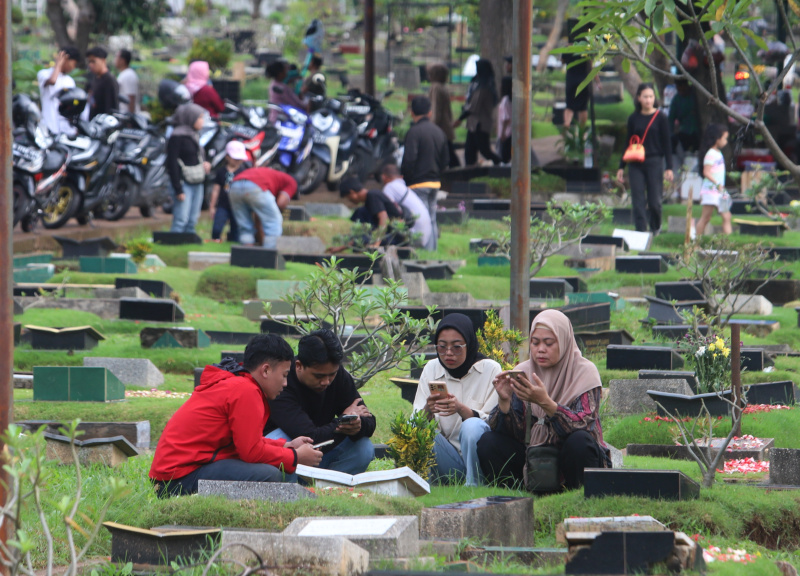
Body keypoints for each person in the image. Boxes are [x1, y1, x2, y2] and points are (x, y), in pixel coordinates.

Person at [149, 334, 324, 497]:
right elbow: (251, 452)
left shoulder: (239, 384)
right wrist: (296, 457)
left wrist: (287, 446)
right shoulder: (245, 391)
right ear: (266, 370)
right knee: (270, 475)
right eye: (284, 375)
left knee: (275, 469)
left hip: (179, 473)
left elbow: (247, 441)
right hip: (174, 481)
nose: (285, 383)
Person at [477, 310, 611, 490]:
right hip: (532, 455)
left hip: (568, 457)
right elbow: (512, 433)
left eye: (549, 343)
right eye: (535, 342)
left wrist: (545, 403)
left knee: (580, 442)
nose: (541, 349)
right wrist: (504, 401)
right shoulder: (523, 371)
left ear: (564, 341)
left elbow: (585, 424)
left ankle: (577, 494)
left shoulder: (584, 372)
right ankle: (516, 494)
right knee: (489, 442)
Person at [265, 330, 376, 475]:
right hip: (289, 450)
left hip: (324, 448)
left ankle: (328, 486)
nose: (326, 382)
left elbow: (369, 421)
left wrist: (357, 425)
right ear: (298, 365)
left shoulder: (339, 376)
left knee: (363, 447)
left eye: (332, 375)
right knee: (283, 439)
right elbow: (309, 437)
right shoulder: (283, 381)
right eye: (318, 376)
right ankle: (290, 488)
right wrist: (341, 423)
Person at [412, 314, 501, 486]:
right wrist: (427, 411)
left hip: (480, 462)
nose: (448, 354)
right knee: (423, 431)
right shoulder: (431, 368)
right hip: (448, 459)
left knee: (472, 426)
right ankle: (426, 488)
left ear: (469, 343)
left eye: (457, 347)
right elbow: (414, 423)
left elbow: (494, 423)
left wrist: (461, 409)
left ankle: (475, 486)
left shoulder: (490, 369)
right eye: (442, 347)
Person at [616, 83, 674, 235]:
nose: (648, 100)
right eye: (645, 97)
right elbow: (627, 142)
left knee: (655, 201)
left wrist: (669, 167)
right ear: (639, 98)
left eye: (651, 96)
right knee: (638, 200)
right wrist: (621, 166)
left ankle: (655, 228)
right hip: (635, 163)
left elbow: (667, 143)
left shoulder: (661, 117)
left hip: (655, 161)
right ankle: (641, 232)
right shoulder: (633, 118)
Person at [402, 96, 449, 251]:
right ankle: (432, 252)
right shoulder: (439, 132)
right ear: (430, 112)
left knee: (420, 220)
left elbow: (409, 160)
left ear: (412, 112)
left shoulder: (414, 132)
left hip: (417, 183)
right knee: (432, 219)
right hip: (435, 183)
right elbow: (445, 161)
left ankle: (424, 252)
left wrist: (406, 180)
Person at [166, 103, 210, 234]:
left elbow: (195, 157)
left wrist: (206, 164)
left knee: (192, 220)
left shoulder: (194, 135)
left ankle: (188, 244)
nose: (202, 121)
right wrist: (178, 189)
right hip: (183, 183)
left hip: (197, 181)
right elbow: (172, 162)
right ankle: (173, 245)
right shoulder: (177, 137)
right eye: (199, 118)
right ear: (189, 118)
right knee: (181, 220)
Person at [229, 166, 297, 248]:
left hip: (234, 186)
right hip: (255, 186)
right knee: (273, 222)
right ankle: (270, 253)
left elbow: (259, 216)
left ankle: (246, 250)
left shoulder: (273, 175)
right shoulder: (292, 182)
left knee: (245, 226)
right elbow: (280, 203)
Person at [455, 58, 502, 166]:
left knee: (484, 150)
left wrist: (460, 119)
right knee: (469, 150)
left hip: (480, 124)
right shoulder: (482, 84)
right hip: (474, 123)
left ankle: (502, 165)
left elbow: (473, 107)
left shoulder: (484, 87)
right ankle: (470, 170)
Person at [339, 176, 405, 247]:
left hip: (394, 236)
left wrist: (376, 243)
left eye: (348, 197)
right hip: (388, 234)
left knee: (361, 213)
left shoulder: (372, 196)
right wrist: (341, 247)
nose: (350, 200)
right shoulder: (369, 200)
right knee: (360, 212)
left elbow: (384, 219)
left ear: (352, 192)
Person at [380, 163, 433, 250]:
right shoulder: (402, 187)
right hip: (424, 235)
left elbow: (386, 211)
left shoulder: (389, 187)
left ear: (383, 177)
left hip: (413, 235)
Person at [696, 123, 732, 236]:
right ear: (717, 139)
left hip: (720, 191)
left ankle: (729, 244)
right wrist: (717, 184)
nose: (726, 141)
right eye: (725, 138)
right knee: (706, 218)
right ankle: (696, 243)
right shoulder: (710, 154)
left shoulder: (718, 153)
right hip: (711, 191)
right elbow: (706, 172)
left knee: (727, 216)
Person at [210, 140, 249, 242]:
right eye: (235, 158)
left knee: (236, 230)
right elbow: (216, 189)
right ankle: (215, 241)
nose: (237, 161)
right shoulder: (221, 171)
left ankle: (232, 243)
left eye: (239, 159)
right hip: (223, 205)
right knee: (217, 227)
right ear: (227, 156)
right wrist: (212, 206)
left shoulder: (244, 172)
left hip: (238, 206)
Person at [37, 47, 80, 136]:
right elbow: (52, 81)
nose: (73, 67)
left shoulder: (70, 81)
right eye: (74, 63)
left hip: (65, 129)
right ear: (65, 59)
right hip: (47, 126)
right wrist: (58, 64)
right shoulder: (44, 74)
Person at [427, 63, 460, 168]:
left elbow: (436, 109)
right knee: (447, 150)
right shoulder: (442, 87)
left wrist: (432, 125)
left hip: (440, 126)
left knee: (446, 151)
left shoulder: (436, 88)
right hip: (445, 125)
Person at [85, 47, 119, 119]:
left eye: (93, 61)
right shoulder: (95, 78)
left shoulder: (109, 80)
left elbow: (112, 107)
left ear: (103, 60)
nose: (90, 65)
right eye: (89, 62)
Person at [668, 79, 700, 156]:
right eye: (678, 87)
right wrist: (670, 134)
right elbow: (671, 119)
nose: (681, 89)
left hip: (698, 131)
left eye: (682, 87)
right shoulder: (676, 99)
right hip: (685, 131)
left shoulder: (695, 95)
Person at [115, 49, 139, 115]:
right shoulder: (124, 74)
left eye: (116, 57)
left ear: (123, 60)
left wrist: (130, 118)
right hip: (123, 115)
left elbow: (131, 98)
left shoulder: (128, 75)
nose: (115, 59)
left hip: (127, 116)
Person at [496, 76, 512, 163]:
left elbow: (506, 118)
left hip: (506, 133)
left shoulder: (505, 100)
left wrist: (502, 133)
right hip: (511, 132)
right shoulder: (512, 99)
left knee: (504, 157)